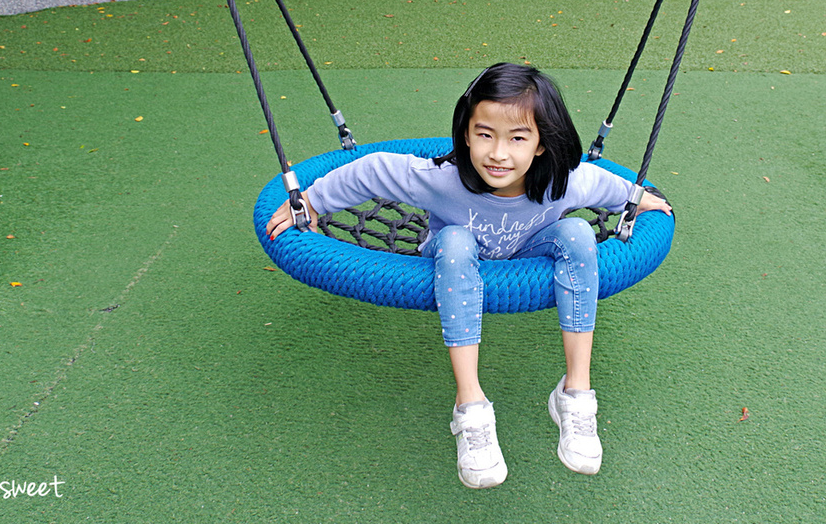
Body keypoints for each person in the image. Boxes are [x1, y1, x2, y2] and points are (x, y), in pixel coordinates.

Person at [266, 62, 673, 489]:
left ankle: (575, 394)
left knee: (576, 232)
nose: (499, 153)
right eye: (485, 135)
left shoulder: (564, 181)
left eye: (518, 138)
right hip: (453, 252)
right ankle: (470, 404)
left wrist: (640, 198)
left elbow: (613, 191)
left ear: (540, 144)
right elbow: (372, 170)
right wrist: (310, 203)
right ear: (465, 134)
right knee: (458, 242)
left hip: (530, 248)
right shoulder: (442, 180)